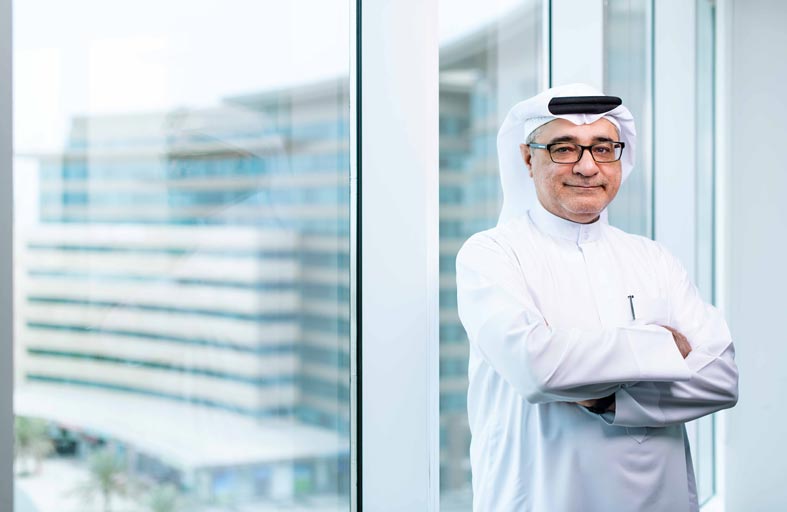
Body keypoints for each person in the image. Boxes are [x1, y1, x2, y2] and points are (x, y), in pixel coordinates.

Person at [455, 83, 739, 512]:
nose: (588, 167)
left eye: (603, 149)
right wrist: (665, 344)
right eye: (564, 149)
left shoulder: (654, 258)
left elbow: (721, 380)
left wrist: (608, 400)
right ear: (528, 158)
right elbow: (537, 369)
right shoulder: (491, 254)